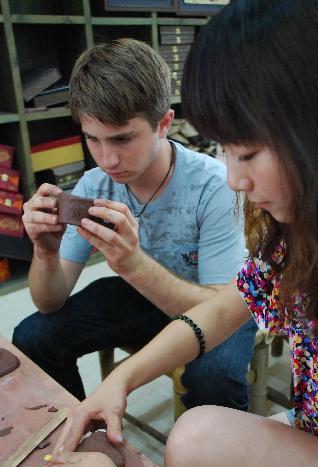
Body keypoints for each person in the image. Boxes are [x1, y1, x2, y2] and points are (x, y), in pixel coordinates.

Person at [37, 0, 318, 467]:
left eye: (249, 152)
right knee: (195, 437)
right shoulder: (304, 224)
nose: (235, 176)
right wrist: (124, 380)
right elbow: (228, 306)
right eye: (225, 150)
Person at [13, 38, 256, 412]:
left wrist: (132, 264)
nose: (108, 158)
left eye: (123, 138)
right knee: (33, 335)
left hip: (215, 302)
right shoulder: (93, 185)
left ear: (163, 124)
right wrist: (45, 252)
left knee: (214, 380)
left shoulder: (215, 186)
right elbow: (49, 303)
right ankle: (83, 434)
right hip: (140, 294)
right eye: (92, 139)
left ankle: (204, 466)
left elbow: (219, 308)